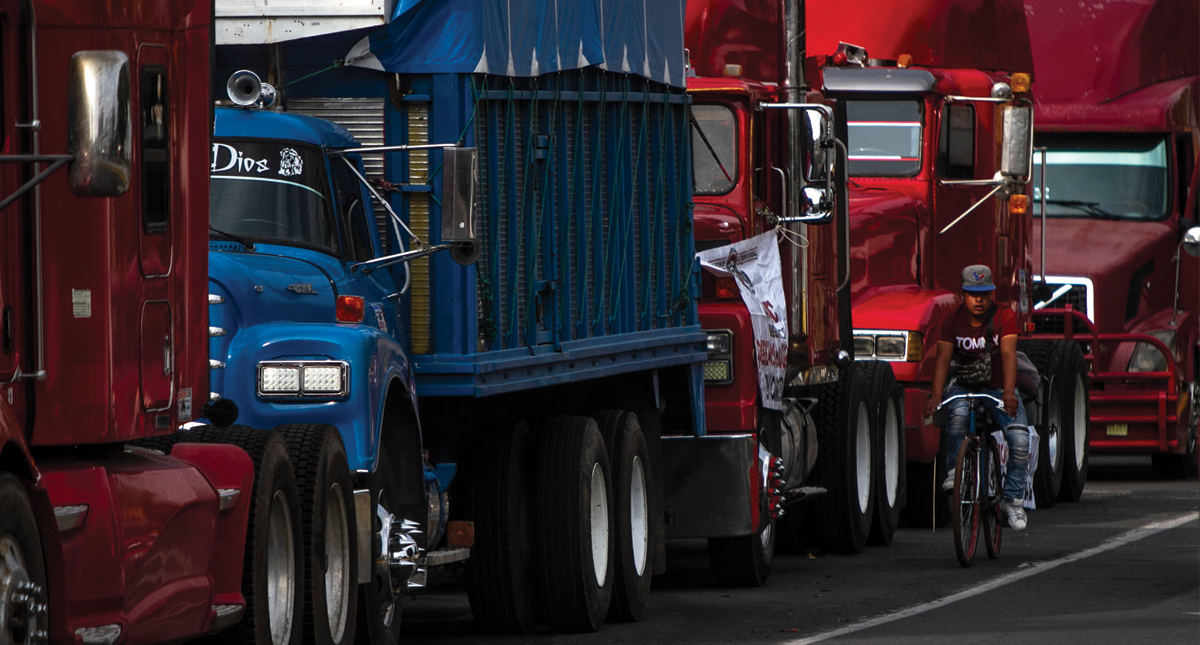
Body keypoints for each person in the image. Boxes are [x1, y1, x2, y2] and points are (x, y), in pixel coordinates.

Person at [922, 265, 1032, 530]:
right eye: (973, 294)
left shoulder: (1004, 316)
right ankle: (954, 472)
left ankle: (1013, 501)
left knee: (1019, 439)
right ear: (963, 295)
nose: (979, 300)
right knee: (957, 415)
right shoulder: (951, 319)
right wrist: (936, 395)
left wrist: (1008, 392)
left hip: (998, 388)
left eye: (984, 294)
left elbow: (1008, 355)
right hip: (964, 386)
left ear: (992, 293)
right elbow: (942, 361)